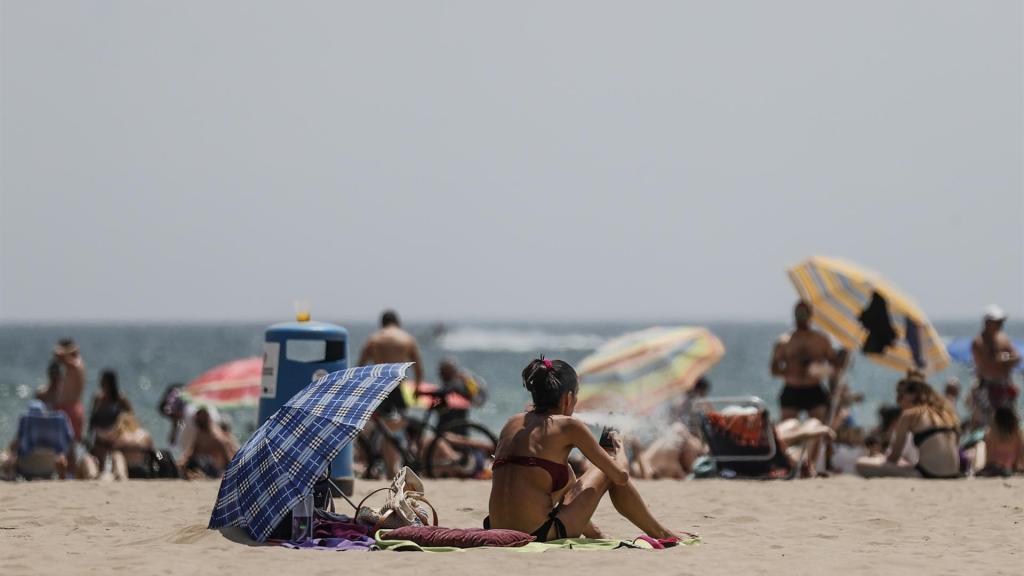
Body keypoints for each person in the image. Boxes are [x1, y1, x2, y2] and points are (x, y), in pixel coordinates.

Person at [485, 357, 678, 542]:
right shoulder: (568, 426)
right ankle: (661, 532)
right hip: (538, 533)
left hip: (495, 527)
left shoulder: (512, 422)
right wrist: (618, 448)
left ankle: (595, 533)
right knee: (608, 467)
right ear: (568, 399)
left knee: (566, 475)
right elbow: (621, 476)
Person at [770, 301, 838, 475]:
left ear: (810, 316)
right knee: (786, 428)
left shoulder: (820, 340)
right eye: (799, 314)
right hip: (792, 388)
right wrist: (790, 369)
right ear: (794, 316)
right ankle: (787, 463)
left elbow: (833, 366)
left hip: (814, 388)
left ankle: (811, 466)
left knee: (817, 428)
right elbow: (774, 369)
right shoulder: (784, 341)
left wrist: (818, 370)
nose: (801, 318)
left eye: (804, 314)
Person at [357, 309, 425, 476]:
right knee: (394, 428)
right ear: (398, 322)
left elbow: (359, 367)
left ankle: (387, 466)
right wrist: (416, 390)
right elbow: (419, 370)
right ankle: (393, 466)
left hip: (379, 388)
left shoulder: (374, 339)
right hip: (397, 388)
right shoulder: (407, 339)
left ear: (382, 323)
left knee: (381, 429)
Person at [856, 376, 961, 478]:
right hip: (954, 471)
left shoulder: (909, 415)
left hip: (930, 473)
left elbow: (893, 458)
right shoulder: (946, 413)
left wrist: (880, 457)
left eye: (900, 396)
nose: (898, 401)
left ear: (913, 395)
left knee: (861, 463)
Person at [971, 306, 1021, 423]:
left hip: (1005, 385)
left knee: (1010, 422)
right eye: (997, 322)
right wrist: (1005, 361)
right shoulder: (979, 342)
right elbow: (988, 365)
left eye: (1001, 321)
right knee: (987, 422)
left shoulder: (1003, 338)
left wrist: (1002, 361)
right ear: (987, 322)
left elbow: (1017, 357)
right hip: (987, 387)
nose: (1000, 324)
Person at [4, 400, 74, 480]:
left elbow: (15, 448)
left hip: (26, 467)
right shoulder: (55, 430)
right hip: (49, 467)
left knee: (6, 457)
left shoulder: (26, 426)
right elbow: (69, 441)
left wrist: (10, 452)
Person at [178, 408, 237, 479]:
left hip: (214, 469)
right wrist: (182, 462)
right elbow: (192, 452)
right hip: (204, 466)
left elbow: (227, 457)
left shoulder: (216, 436)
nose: (197, 420)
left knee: (203, 461)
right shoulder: (200, 434)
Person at [88, 370, 133, 462]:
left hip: (115, 435)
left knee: (115, 459)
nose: (101, 383)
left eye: (104, 381)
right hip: (100, 435)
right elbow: (92, 418)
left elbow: (130, 417)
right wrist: (89, 435)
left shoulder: (120, 399)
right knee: (97, 460)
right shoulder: (97, 398)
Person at [51, 338, 87, 443]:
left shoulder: (76, 364)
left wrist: (68, 350)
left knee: (70, 444)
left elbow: (58, 355)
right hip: (66, 408)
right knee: (62, 444)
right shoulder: (72, 365)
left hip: (71, 409)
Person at [976, 407, 1023, 477]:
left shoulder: (991, 435)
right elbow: (1020, 457)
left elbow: (990, 459)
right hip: (1011, 468)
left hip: (995, 468)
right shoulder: (1017, 434)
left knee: (980, 446)